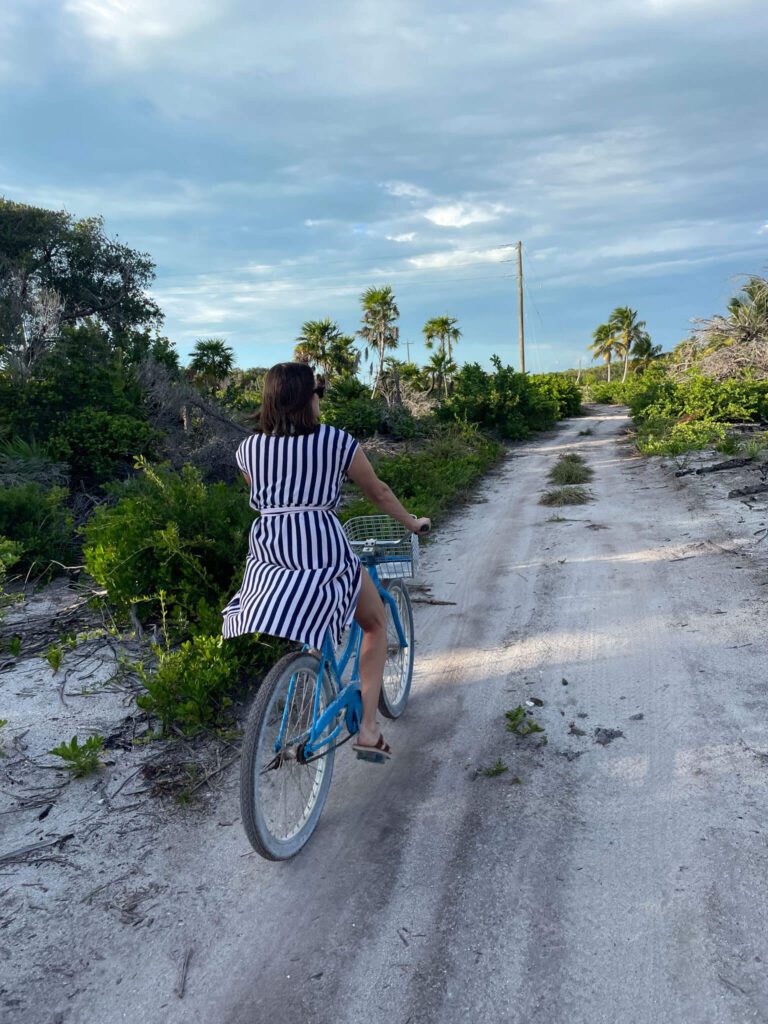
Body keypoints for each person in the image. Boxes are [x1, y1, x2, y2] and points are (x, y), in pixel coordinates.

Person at [222, 361, 430, 761]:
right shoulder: (336, 442)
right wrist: (412, 521)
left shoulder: (248, 449)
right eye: (316, 393)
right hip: (322, 546)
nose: (319, 400)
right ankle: (369, 730)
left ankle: (310, 668)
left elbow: (265, 494)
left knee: (301, 606)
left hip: (271, 551)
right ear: (306, 398)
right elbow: (378, 492)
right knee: (373, 622)